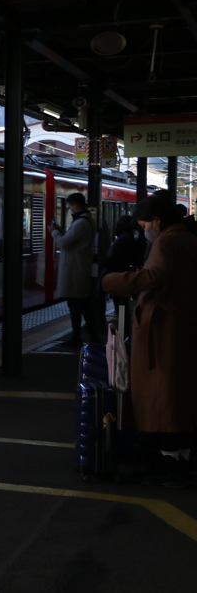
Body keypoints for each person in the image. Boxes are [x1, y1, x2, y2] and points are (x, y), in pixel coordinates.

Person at [102, 193, 197, 485]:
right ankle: (182, 460)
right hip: (182, 327)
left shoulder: (166, 241)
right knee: (179, 398)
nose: (144, 231)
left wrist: (112, 280)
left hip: (164, 331)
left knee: (163, 398)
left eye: (144, 225)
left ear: (156, 221)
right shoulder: (188, 237)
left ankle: (169, 466)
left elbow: (154, 275)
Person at [48, 192, 99, 346]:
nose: (69, 209)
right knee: (82, 305)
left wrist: (55, 232)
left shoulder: (81, 222)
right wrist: (62, 231)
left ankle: (78, 337)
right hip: (78, 268)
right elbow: (72, 240)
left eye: (70, 206)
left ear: (75, 206)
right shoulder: (85, 221)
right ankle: (91, 335)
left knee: (76, 306)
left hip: (75, 270)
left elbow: (64, 243)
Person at [100, 214, 144, 314]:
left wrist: (103, 261)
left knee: (119, 304)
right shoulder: (129, 238)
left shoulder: (123, 239)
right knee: (121, 304)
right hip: (121, 273)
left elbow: (113, 259)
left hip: (117, 275)